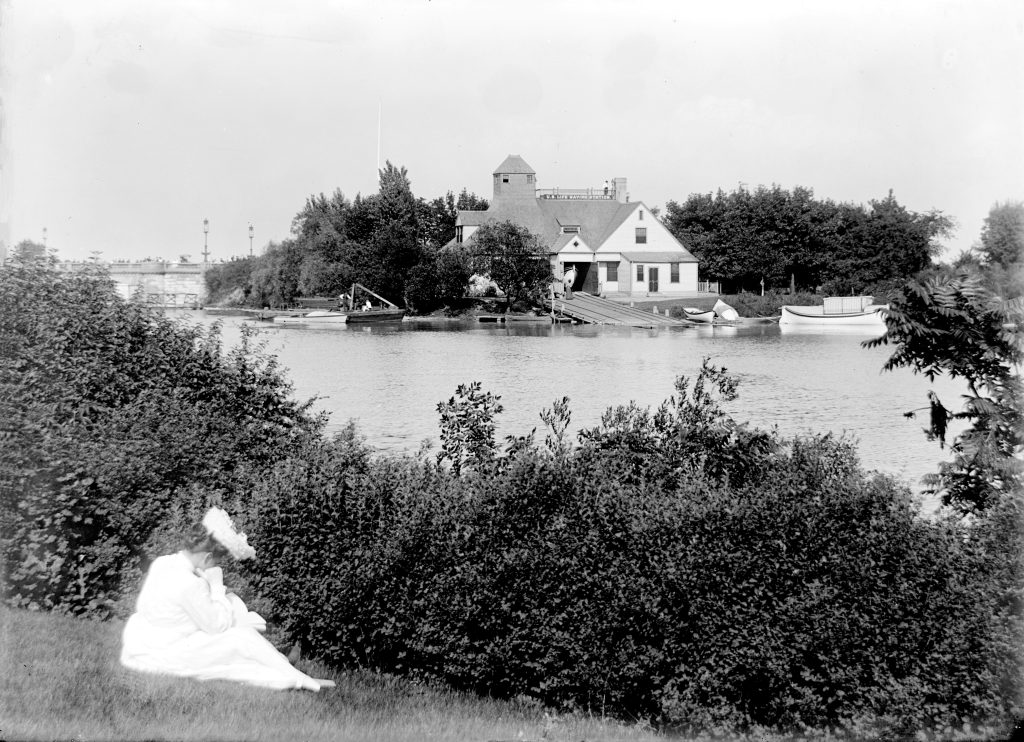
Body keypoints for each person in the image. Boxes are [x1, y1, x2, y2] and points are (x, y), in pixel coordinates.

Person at [120, 507, 334, 691]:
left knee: (235, 613)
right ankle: (299, 678)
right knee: (241, 637)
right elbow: (217, 626)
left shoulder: (162, 563)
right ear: (207, 557)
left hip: (143, 640)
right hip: (169, 649)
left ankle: (282, 663)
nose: (214, 566)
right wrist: (215, 586)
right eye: (215, 562)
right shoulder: (190, 583)